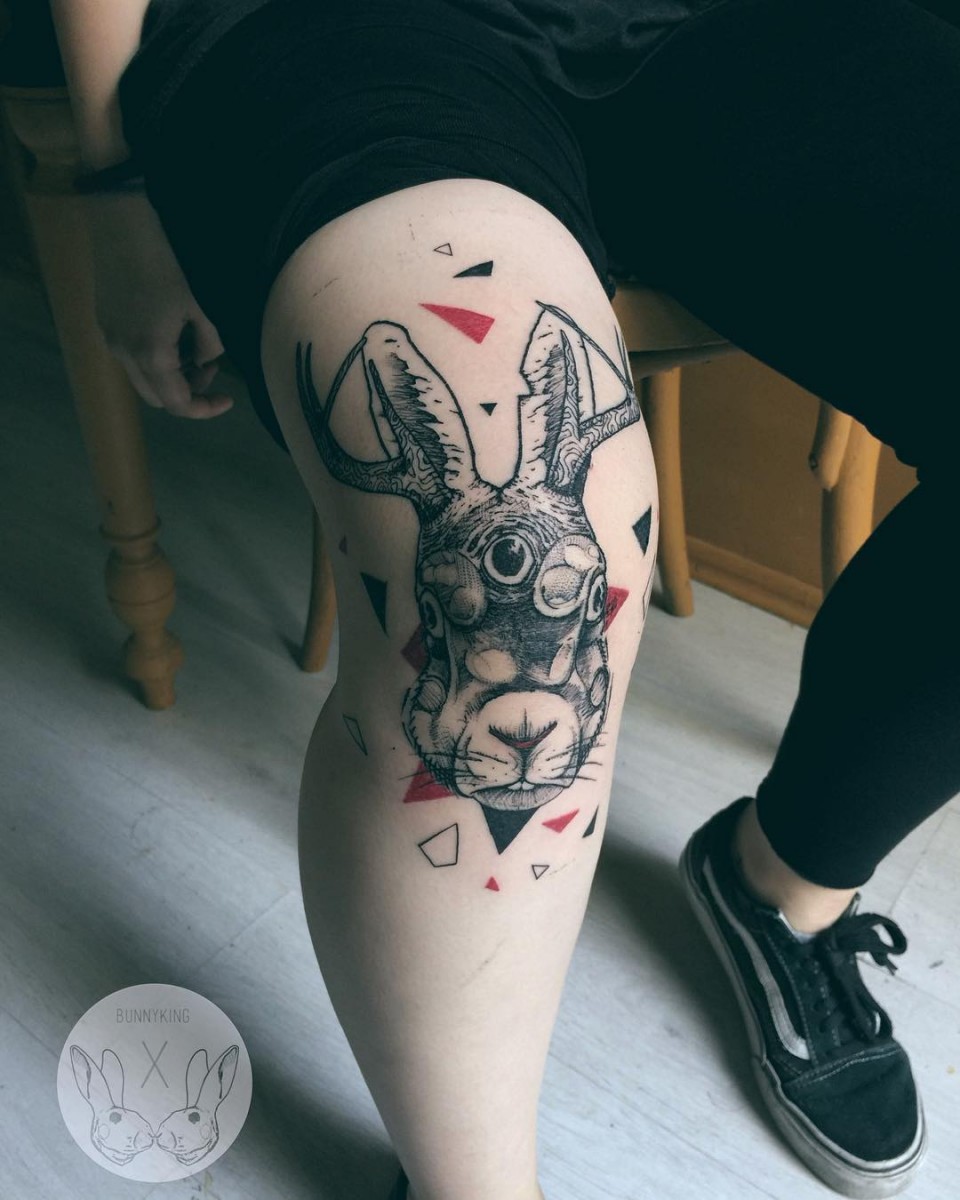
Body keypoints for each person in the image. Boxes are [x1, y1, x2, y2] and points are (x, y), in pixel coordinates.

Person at [48, 1, 960, 1197]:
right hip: (339, 33)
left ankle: (780, 889)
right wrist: (114, 179)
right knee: (499, 537)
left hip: (711, 25)